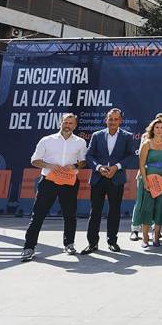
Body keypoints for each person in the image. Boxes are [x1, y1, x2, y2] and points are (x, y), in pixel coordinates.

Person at [21, 113, 87, 262]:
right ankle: (28, 247)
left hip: (69, 182)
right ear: (60, 123)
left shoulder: (80, 142)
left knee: (70, 215)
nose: (67, 125)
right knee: (38, 215)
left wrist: (75, 165)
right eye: (65, 122)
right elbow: (34, 160)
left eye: (71, 123)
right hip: (48, 181)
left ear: (75, 126)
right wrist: (49, 166)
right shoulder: (47, 140)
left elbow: (83, 162)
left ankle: (69, 244)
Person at [82, 108, 135, 254]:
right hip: (98, 179)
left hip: (116, 179)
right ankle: (92, 243)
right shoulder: (97, 135)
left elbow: (130, 156)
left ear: (120, 121)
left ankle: (112, 241)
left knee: (114, 211)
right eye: (110, 119)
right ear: (106, 119)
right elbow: (89, 156)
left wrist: (116, 167)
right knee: (95, 212)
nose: (112, 122)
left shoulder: (127, 136)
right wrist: (99, 168)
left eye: (116, 119)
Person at [132, 118, 162, 248]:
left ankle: (156, 237)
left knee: (161, 207)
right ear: (152, 129)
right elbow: (142, 164)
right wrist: (144, 181)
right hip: (149, 177)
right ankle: (145, 238)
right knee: (147, 207)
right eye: (157, 127)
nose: (159, 130)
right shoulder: (147, 143)